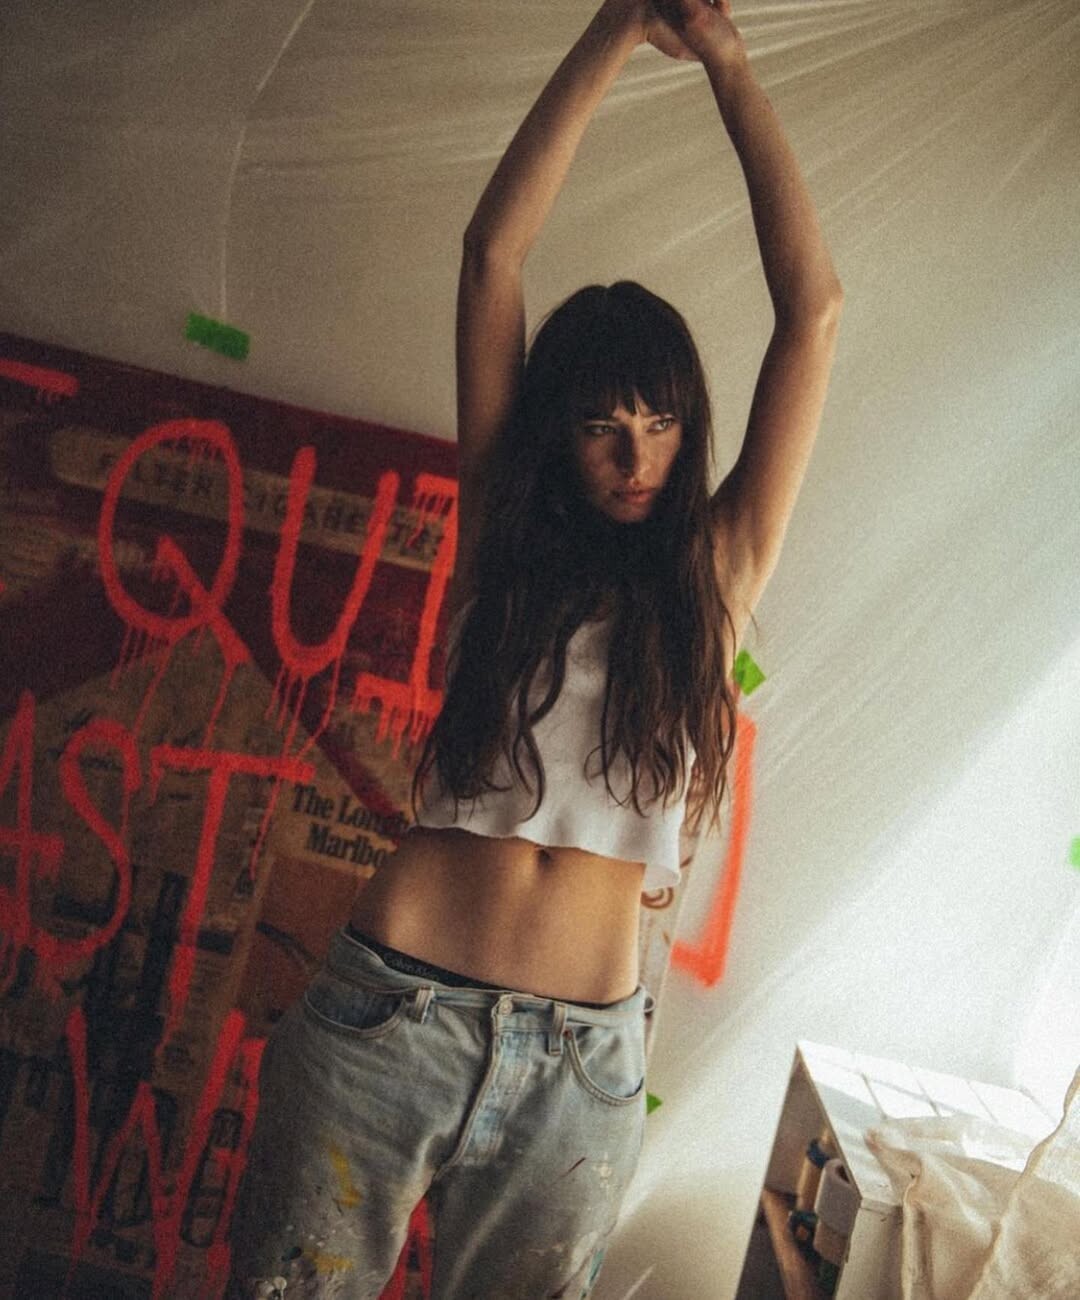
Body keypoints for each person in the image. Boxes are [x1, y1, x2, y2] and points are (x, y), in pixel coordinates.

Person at [227, 0, 841, 1295]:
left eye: (660, 426)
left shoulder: (718, 575)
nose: (634, 456)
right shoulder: (500, 541)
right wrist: (615, 25)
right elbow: (492, 255)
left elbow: (814, 313)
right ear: (557, 432)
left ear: (689, 432)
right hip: (389, 1019)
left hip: (581, 1067)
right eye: (603, 425)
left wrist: (731, 65)